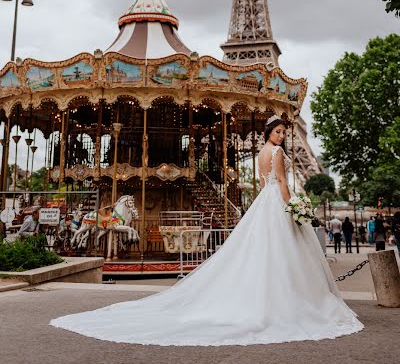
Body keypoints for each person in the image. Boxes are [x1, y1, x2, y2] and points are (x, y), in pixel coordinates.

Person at [50, 116, 363, 345]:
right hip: (274, 202)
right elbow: (281, 183)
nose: (281, 135)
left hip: (261, 204)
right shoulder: (278, 152)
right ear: (270, 132)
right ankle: (288, 298)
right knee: (281, 251)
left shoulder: (262, 154)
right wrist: (293, 206)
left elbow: (265, 177)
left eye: (283, 131)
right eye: (278, 131)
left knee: (261, 251)